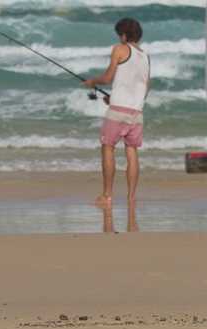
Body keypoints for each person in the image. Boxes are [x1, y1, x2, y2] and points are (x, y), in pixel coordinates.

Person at [83, 18, 150, 208]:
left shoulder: (120, 49)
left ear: (123, 35)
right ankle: (131, 197)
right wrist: (115, 97)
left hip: (117, 111)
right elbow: (146, 86)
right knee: (132, 151)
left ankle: (107, 196)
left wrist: (92, 82)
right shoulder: (145, 56)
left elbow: (108, 77)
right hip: (136, 112)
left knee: (108, 147)